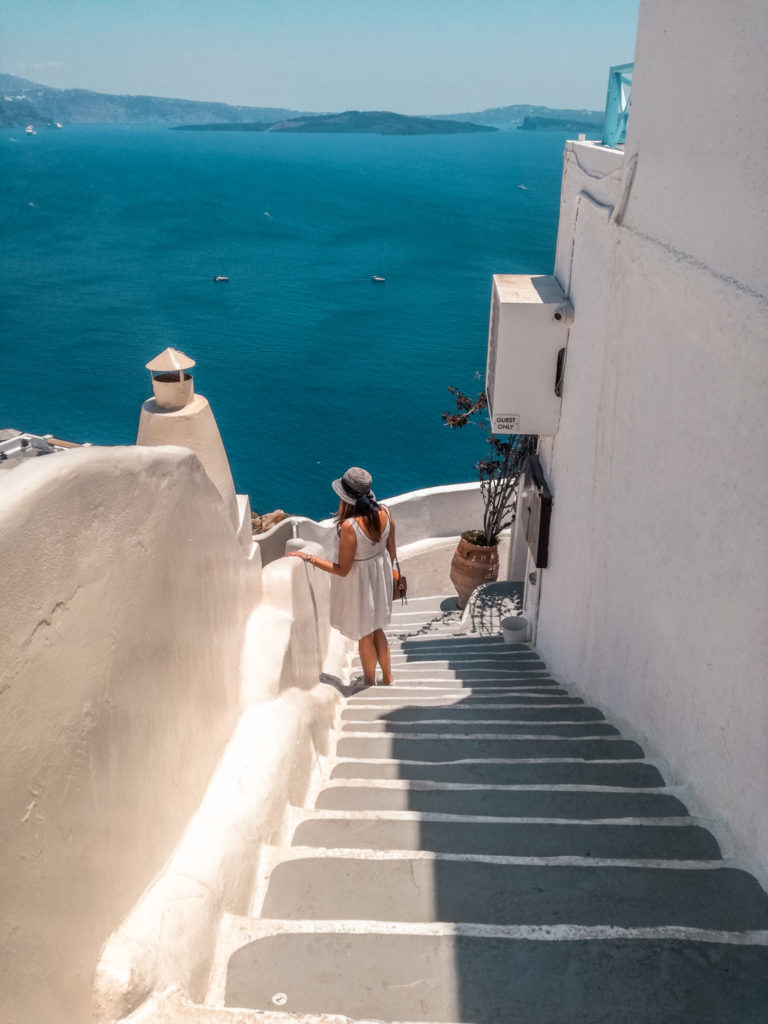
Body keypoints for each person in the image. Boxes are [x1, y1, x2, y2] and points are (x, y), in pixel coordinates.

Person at [285, 466, 396, 686]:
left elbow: (342, 570)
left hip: (360, 585)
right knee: (377, 629)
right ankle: (389, 678)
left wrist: (309, 558)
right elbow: (392, 550)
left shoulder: (349, 526)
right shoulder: (385, 512)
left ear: (346, 497)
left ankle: (370, 682)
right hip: (379, 579)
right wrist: (384, 574)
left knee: (365, 634)